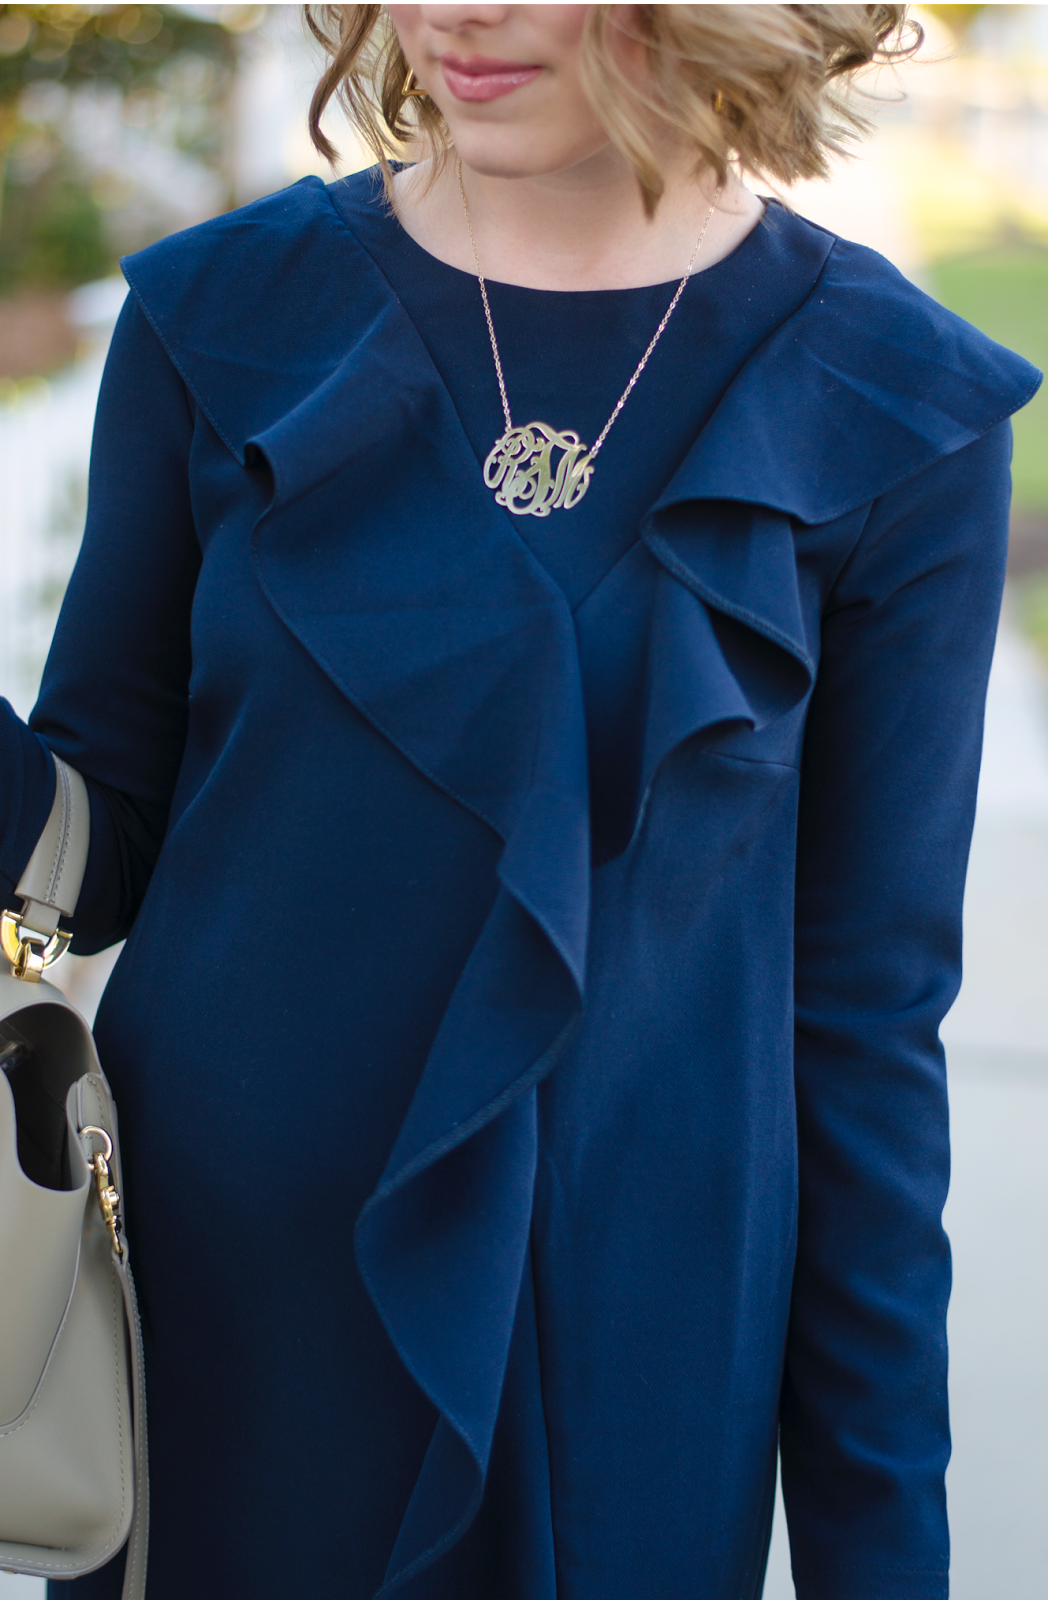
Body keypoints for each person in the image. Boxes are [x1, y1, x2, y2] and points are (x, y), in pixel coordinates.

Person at [0, 4, 1038, 1597]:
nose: (457, 14)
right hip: (224, 1342)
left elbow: (864, 1028)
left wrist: (880, 1553)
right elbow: (96, 840)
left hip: (638, 1368)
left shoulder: (889, 403)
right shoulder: (224, 317)